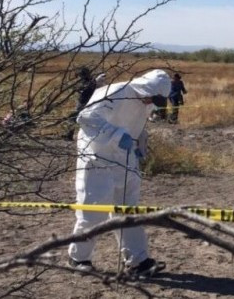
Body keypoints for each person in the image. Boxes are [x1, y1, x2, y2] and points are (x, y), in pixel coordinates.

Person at [67, 69, 170, 278]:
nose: (151, 101)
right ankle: (78, 258)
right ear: (145, 88)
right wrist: (117, 135)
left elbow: (136, 124)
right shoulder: (116, 92)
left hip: (125, 157)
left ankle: (138, 261)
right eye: (151, 96)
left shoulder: (146, 101)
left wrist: (141, 140)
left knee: (128, 210)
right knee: (93, 210)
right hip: (97, 157)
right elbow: (85, 118)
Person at [65, 67, 98, 140]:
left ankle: (69, 136)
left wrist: (77, 89)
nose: (79, 77)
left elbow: (84, 90)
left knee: (72, 118)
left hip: (84, 103)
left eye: (80, 75)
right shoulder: (91, 81)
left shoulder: (89, 82)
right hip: (84, 103)